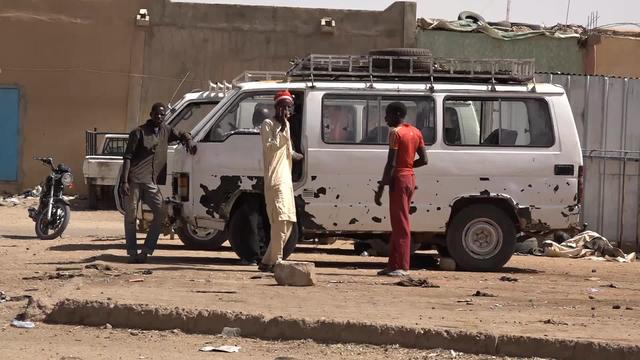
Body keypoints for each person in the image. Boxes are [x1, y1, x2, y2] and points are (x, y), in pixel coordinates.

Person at [120, 102, 197, 263]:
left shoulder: (166, 131)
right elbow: (127, 157)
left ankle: (146, 250)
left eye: (162, 115)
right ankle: (132, 252)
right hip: (134, 180)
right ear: (151, 114)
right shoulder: (138, 132)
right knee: (131, 217)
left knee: (161, 213)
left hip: (151, 182)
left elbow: (182, 133)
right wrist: (124, 182)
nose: (159, 117)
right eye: (157, 114)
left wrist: (189, 140)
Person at [373, 102, 428, 276]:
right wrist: (409, 167)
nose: (385, 118)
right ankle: (393, 265)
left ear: (397, 114)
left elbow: (391, 163)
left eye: (387, 114)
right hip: (409, 179)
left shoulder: (395, 133)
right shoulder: (416, 131)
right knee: (398, 223)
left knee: (401, 224)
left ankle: (402, 266)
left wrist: (381, 187)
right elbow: (424, 160)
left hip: (399, 180)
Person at [258, 90, 303, 272]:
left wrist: (300, 156)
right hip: (275, 179)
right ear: (276, 107)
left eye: (288, 107)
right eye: (283, 107)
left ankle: (267, 262)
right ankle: (275, 261)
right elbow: (270, 148)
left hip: (286, 179)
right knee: (281, 220)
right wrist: (282, 131)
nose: (286, 110)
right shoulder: (268, 124)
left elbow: (288, 150)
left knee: (288, 222)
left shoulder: (287, 126)